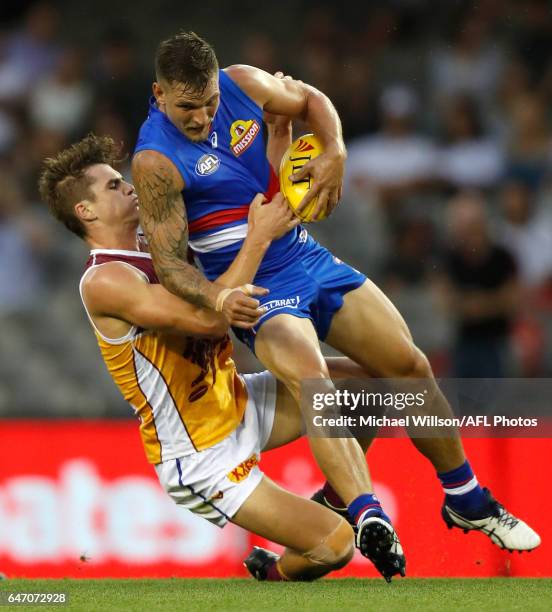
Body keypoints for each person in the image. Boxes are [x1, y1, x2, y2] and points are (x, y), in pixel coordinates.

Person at [131, 31, 540, 558]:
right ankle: (368, 512)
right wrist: (215, 299)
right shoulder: (154, 160)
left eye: (209, 102)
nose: (202, 116)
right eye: (189, 107)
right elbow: (168, 265)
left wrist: (336, 150)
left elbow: (311, 101)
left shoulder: (242, 83)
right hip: (256, 284)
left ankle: (466, 497)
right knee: (314, 381)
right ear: (160, 94)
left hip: (305, 255)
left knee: (409, 367)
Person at [38, 133, 406, 582]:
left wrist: (278, 142)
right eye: (113, 185)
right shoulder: (106, 280)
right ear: (86, 211)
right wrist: (259, 236)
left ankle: (334, 496)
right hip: (199, 450)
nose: (129, 185)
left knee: (369, 389)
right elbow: (212, 320)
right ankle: (273, 575)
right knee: (334, 546)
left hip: (236, 399)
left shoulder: (158, 244)